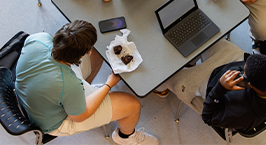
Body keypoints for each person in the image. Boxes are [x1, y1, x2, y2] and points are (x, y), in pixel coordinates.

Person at [15, 20, 159, 145]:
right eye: (88, 50)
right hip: (56, 122)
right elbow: (80, 117)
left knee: (99, 54)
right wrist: (108, 84)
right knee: (132, 105)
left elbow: (63, 77)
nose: (90, 52)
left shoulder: (39, 38)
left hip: (31, 93)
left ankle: (78, 98)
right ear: (82, 54)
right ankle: (126, 138)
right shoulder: (68, 83)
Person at [158, 39, 266, 131]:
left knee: (167, 76)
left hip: (213, 91)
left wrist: (220, 88)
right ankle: (192, 61)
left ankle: (160, 89)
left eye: (243, 71)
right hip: (231, 62)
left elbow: (208, 117)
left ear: (249, 84)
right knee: (208, 38)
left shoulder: (242, 113)